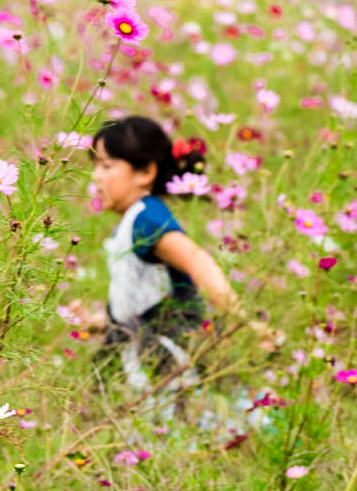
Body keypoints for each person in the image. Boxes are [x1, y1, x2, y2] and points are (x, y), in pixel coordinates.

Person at [79, 116, 272, 420]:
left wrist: (243, 321)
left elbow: (198, 262)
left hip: (167, 357)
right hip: (146, 354)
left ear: (145, 172)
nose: (96, 177)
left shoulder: (147, 218)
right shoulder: (133, 220)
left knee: (178, 433)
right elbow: (145, 297)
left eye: (106, 166)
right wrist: (103, 320)